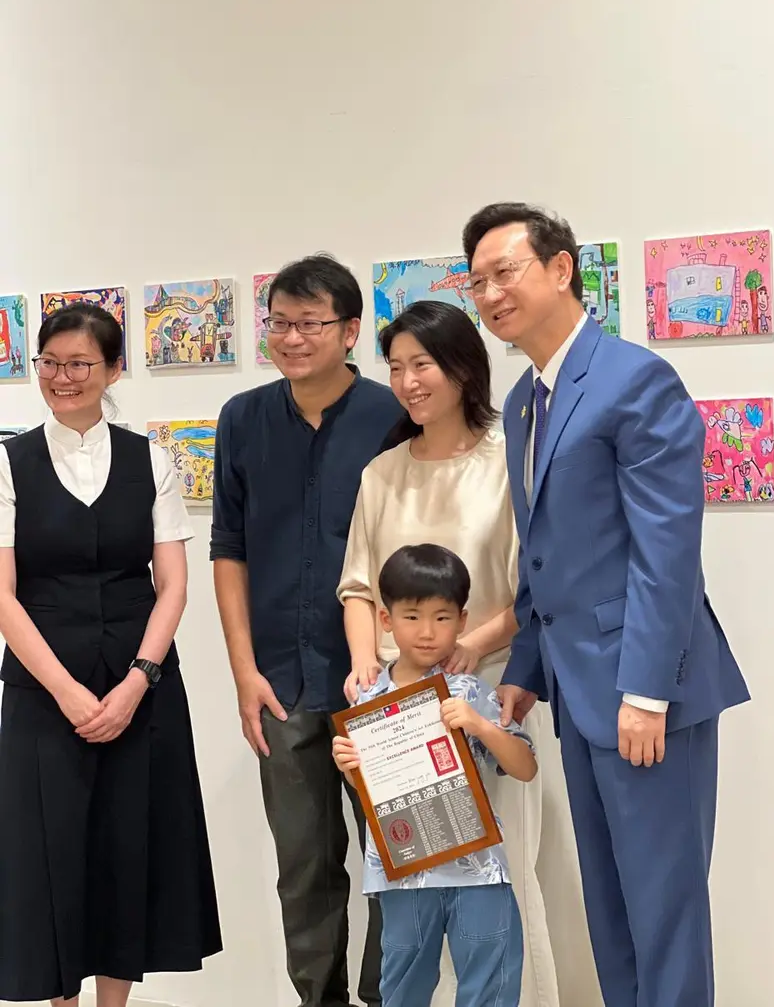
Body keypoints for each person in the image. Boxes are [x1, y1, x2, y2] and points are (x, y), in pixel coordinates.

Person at [462, 202, 751, 1007]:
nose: (489, 294)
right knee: (611, 916)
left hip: (645, 694)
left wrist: (646, 690)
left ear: (561, 270)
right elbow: (542, 557)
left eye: (505, 271)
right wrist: (524, 666)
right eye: (477, 281)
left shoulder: (634, 378)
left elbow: (667, 552)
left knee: (664, 915)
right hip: (578, 696)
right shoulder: (524, 401)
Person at [337, 300, 559, 1005]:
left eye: (422, 364)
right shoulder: (382, 473)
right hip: (393, 706)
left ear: (463, 367)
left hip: (489, 687)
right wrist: (363, 666)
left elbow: (534, 584)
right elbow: (357, 586)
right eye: (396, 366)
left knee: (501, 883)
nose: (407, 381)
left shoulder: (509, 460)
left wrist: (468, 645)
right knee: (411, 884)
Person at [0, 303, 221, 1007]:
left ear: (114, 369)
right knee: (53, 855)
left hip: (143, 691)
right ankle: (62, 1000)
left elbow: (173, 586)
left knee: (130, 849)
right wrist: (66, 691)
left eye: (80, 364)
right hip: (43, 692)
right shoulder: (8, 463)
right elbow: (3, 596)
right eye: (51, 363)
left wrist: (136, 682)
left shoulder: (151, 459)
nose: (63, 378)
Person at [211, 254, 403, 1007]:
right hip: (281, 680)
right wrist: (242, 670)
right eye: (280, 322)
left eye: (310, 323)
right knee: (304, 863)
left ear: (350, 330)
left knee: (399, 857)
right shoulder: (244, 418)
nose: (291, 337)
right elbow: (230, 548)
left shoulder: (393, 414)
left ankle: (387, 996)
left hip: (380, 677)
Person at [333, 543, 536, 1007]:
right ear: (386, 620)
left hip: (479, 871)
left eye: (442, 618)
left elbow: (524, 767)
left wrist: (481, 724)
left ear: (463, 621)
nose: (427, 632)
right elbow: (369, 795)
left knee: (491, 987)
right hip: (402, 874)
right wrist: (349, 766)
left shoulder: (469, 691)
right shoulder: (367, 701)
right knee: (402, 990)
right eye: (411, 616)